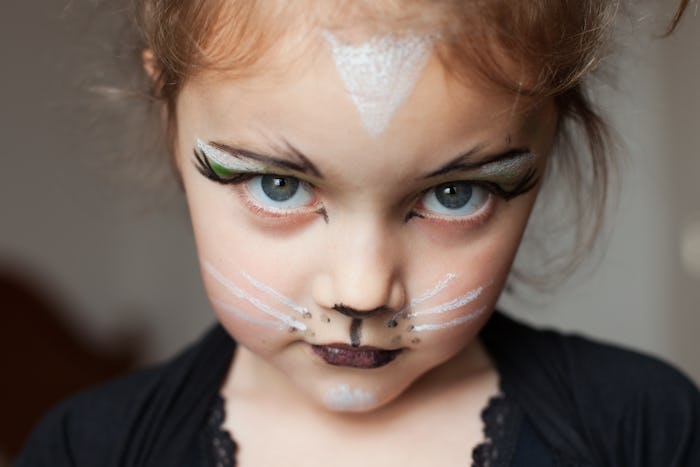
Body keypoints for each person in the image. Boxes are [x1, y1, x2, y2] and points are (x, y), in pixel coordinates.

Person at [16, 1, 699, 466]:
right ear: (172, 122)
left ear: (546, 149)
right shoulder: (89, 449)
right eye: (279, 185)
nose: (363, 292)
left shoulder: (643, 428)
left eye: (455, 194)